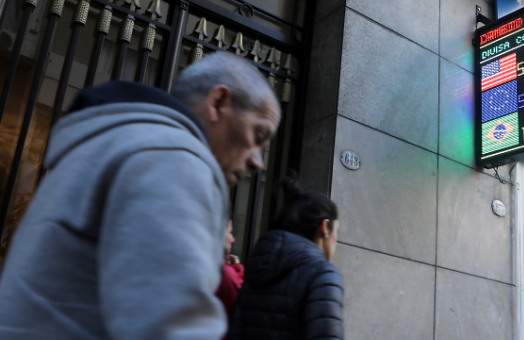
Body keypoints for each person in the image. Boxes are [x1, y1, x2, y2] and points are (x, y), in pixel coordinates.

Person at [0, 52, 280, 340]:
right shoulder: (174, 158)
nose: (257, 162)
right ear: (218, 102)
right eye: (258, 135)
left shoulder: (115, 147)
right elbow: (171, 327)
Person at [228, 172, 344, 340]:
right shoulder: (323, 274)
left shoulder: (258, 267)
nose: (336, 239)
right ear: (325, 227)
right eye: (337, 231)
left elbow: (236, 331)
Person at [216, 214, 244, 319]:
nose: (232, 239)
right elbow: (238, 306)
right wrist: (237, 269)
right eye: (229, 232)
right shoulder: (226, 273)